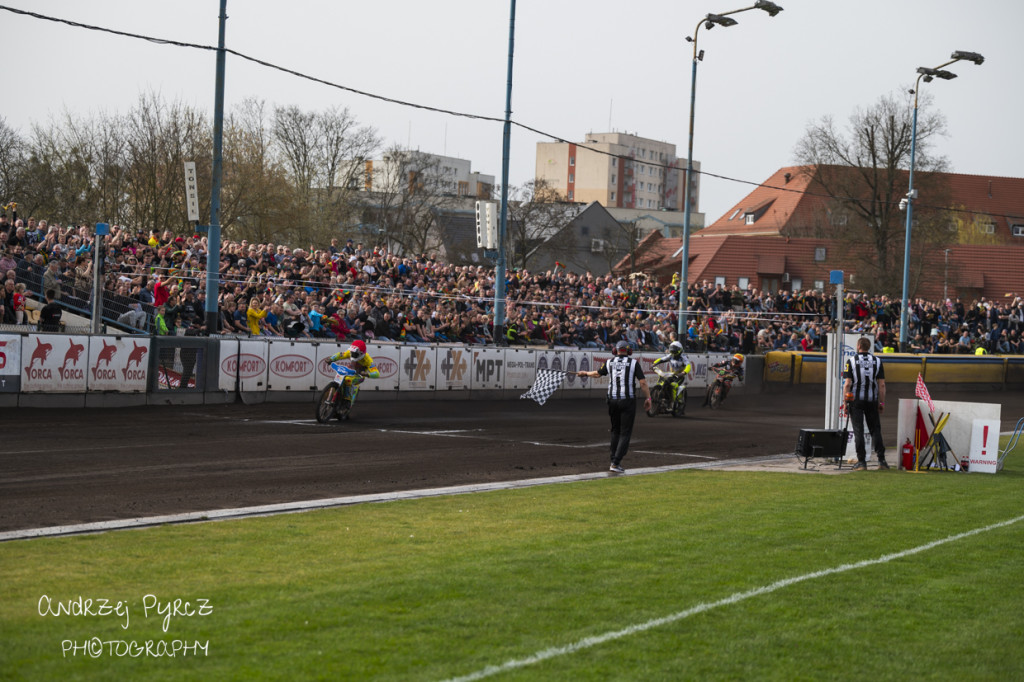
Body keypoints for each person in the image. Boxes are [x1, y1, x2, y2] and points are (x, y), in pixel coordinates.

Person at [576, 339, 652, 473]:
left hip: (612, 401)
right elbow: (643, 383)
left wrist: (584, 373)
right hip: (627, 401)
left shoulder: (609, 362)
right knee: (625, 433)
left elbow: (597, 374)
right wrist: (648, 398)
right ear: (628, 351)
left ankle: (613, 460)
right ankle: (616, 463)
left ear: (615, 351)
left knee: (615, 431)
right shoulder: (634, 363)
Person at [843, 336, 888, 471]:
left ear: (858, 346)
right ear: (869, 347)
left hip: (856, 401)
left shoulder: (851, 361)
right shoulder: (877, 361)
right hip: (872, 400)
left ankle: (862, 462)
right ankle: (882, 461)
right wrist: (882, 403)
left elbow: (847, 384)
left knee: (858, 431)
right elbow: (882, 385)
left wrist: (845, 403)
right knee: (876, 430)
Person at [326, 339, 380, 415]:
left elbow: (377, 373)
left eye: (355, 354)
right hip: (349, 372)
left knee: (348, 380)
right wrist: (331, 359)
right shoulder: (350, 352)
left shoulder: (368, 360)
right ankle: (333, 397)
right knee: (339, 377)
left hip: (360, 376)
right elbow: (340, 355)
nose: (352, 354)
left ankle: (347, 401)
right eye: (352, 352)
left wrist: (367, 374)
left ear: (361, 353)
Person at [651, 340, 693, 413]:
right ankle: (662, 400)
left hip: (679, 376)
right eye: (672, 352)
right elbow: (661, 359)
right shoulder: (670, 356)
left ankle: (673, 402)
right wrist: (654, 364)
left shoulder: (684, 357)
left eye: (675, 352)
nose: (673, 354)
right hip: (671, 374)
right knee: (663, 382)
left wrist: (683, 372)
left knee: (673, 385)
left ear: (679, 351)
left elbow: (688, 366)